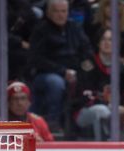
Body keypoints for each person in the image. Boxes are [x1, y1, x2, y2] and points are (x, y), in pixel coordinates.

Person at [28, 0, 95, 129]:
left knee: (89, 76)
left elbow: (87, 50)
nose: (60, 15)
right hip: (47, 74)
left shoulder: (75, 28)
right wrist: (63, 72)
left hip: (74, 71)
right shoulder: (40, 30)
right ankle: (52, 123)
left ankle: (79, 125)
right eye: (56, 11)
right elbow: (36, 59)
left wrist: (84, 67)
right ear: (48, 13)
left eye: (63, 11)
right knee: (56, 83)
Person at [74, 28, 124, 140]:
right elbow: (85, 94)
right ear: (98, 43)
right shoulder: (88, 65)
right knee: (102, 110)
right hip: (86, 111)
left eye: (111, 40)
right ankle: (104, 147)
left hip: (116, 108)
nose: (107, 43)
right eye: (104, 39)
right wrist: (112, 106)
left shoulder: (121, 67)